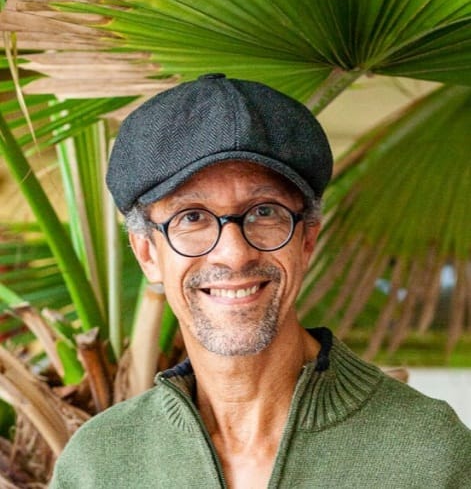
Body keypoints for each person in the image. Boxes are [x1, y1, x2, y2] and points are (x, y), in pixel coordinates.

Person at [50, 74, 471, 489]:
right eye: (192, 217)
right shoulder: (98, 465)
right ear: (147, 253)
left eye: (264, 212)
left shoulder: (429, 454)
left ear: (307, 239)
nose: (234, 254)